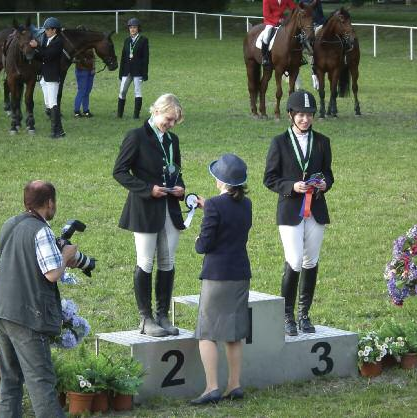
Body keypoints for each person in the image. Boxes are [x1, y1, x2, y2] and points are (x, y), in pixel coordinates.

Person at [0, 180, 78, 417]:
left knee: (10, 381)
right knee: (41, 383)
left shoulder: (10, 223)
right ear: (49, 203)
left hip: (1, 309)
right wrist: (66, 255)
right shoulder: (42, 230)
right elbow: (52, 274)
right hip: (27, 314)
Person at [113, 93, 185, 337]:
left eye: (174, 121)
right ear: (156, 111)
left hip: (169, 207)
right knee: (145, 261)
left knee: (168, 261)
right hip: (145, 208)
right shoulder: (136, 136)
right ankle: (145, 318)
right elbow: (120, 171)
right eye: (168, 119)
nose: (171, 124)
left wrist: (180, 188)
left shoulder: (172, 140)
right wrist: (147, 189)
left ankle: (162, 314)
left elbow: (177, 170)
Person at [263, 90, 334, 337]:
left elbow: (328, 173)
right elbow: (269, 179)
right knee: (294, 261)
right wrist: (291, 186)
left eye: (309, 115)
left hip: (316, 209)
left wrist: (325, 183)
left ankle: (304, 313)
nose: (305, 119)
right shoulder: (279, 143)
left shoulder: (323, 142)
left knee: (310, 261)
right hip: (290, 209)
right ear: (291, 115)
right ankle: (287, 315)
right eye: (301, 115)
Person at [191, 153, 252, 405]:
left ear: (220, 180)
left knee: (207, 332)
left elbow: (204, 245)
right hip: (240, 273)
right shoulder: (246, 203)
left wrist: (197, 240)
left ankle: (212, 387)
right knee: (234, 333)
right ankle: (234, 385)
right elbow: (228, 213)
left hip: (217, 276)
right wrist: (210, 206)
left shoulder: (215, 205)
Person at [29, 17, 65, 138]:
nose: (46, 31)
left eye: (48, 29)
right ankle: (60, 131)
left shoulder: (58, 41)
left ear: (54, 30)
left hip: (53, 75)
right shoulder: (47, 40)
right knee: (48, 103)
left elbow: (48, 55)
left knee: (53, 103)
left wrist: (36, 47)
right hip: (45, 76)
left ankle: (55, 131)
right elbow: (41, 56)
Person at [117, 17, 149, 119]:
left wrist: (144, 73)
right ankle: (119, 114)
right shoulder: (127, 40)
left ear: (138, 28)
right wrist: (121, 72)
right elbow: (123, 57)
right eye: (131, 27)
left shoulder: (143, 40)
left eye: (135, 27)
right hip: (127, 70)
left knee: (137, 92)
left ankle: (136, 115)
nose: (133, 29)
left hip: (138, 70)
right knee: (122, 91)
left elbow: (146, 58)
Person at [262, 0, 296, 67]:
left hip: (283, 21)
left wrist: (301, 10)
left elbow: (293, 8)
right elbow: (266, 14)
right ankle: (265, 57)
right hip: (270, 22)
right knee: (266, 36)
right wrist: (277, 20)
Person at [74, 26, 95, 118]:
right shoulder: (77, 45)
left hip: (89, 70)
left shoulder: (88, 44)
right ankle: (77, 111)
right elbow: (76, 59)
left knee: (87, 91)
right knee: (82, 90)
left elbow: (93, 57)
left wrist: (93, 68)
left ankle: (86, 110)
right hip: (82, 70)